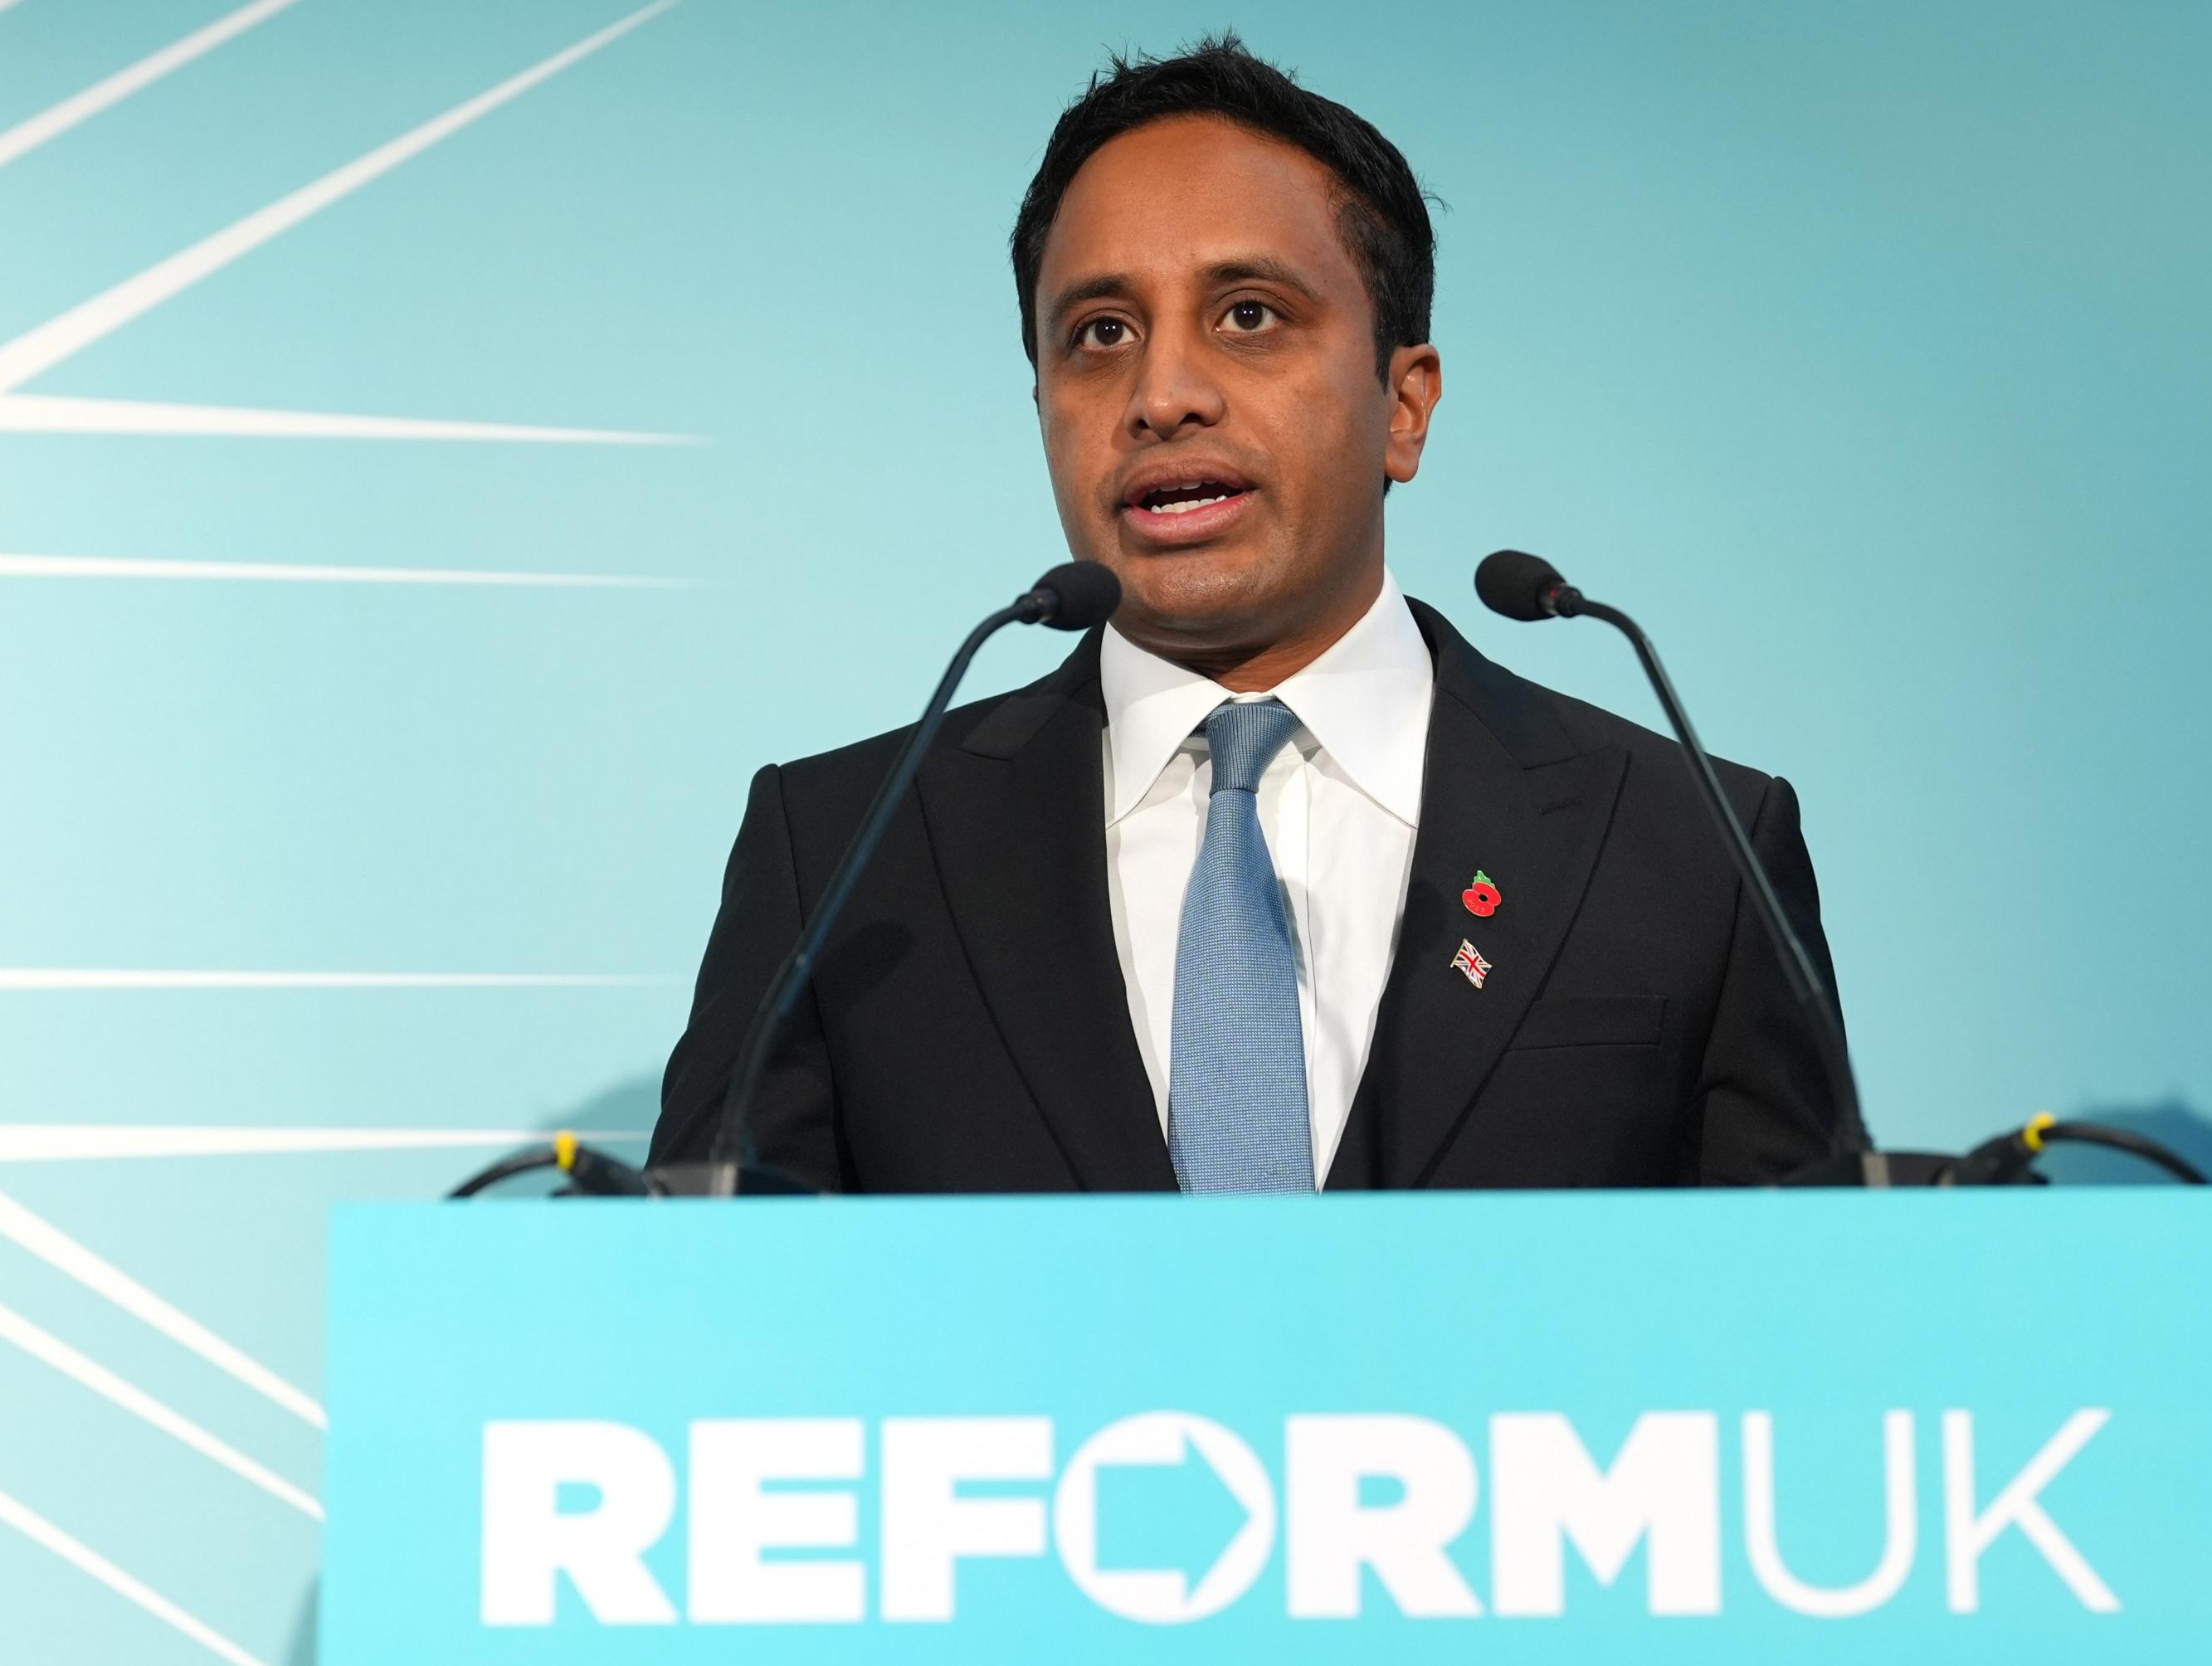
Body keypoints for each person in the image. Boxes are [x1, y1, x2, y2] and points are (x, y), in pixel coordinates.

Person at [651, 35, 1844, 1192]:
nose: (1162, 395)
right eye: (1100, 335)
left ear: (1404, 406)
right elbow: (704, 1340)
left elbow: (1820, 1341)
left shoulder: (1692, 849)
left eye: (1250, 316)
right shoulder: (848, 861)